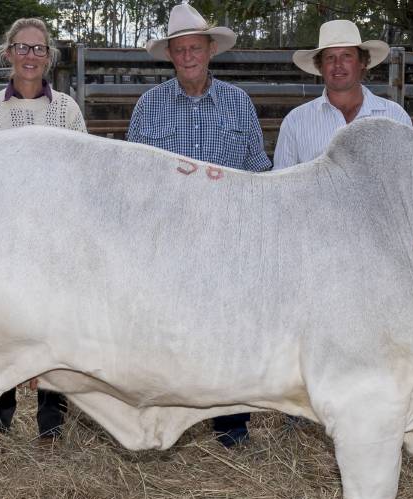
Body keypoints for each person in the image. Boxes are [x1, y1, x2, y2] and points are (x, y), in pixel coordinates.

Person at [126, 3, 268, 447]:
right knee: (169, 328)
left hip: (228, 234)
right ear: (171, 55)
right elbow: (133, 178)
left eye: (196, 47)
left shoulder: (238, 103)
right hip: (168, 236)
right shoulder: (149, 106)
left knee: (232, 330)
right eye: (180, 49)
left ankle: (232, 423)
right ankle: (167, 419)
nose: (188, 56)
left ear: (211, 51)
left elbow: (257, 172)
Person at [0, 17, 86, 439]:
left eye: (38, 49)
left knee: (49, 330)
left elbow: (81, 174)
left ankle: (50, 425)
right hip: (2, 240)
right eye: (22, 47)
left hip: (53, 239)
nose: (30, 56)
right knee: (3, 328)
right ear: (8, 54)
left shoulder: (66, 110)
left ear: (49, 57)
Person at [273, 19, 412, 169]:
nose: (338, 64)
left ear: (362, 62)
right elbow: (282, 186)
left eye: (346, 55)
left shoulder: (395, 116)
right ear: (321, 66)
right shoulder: (295, 123)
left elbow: (410, 177)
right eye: (330, 57)